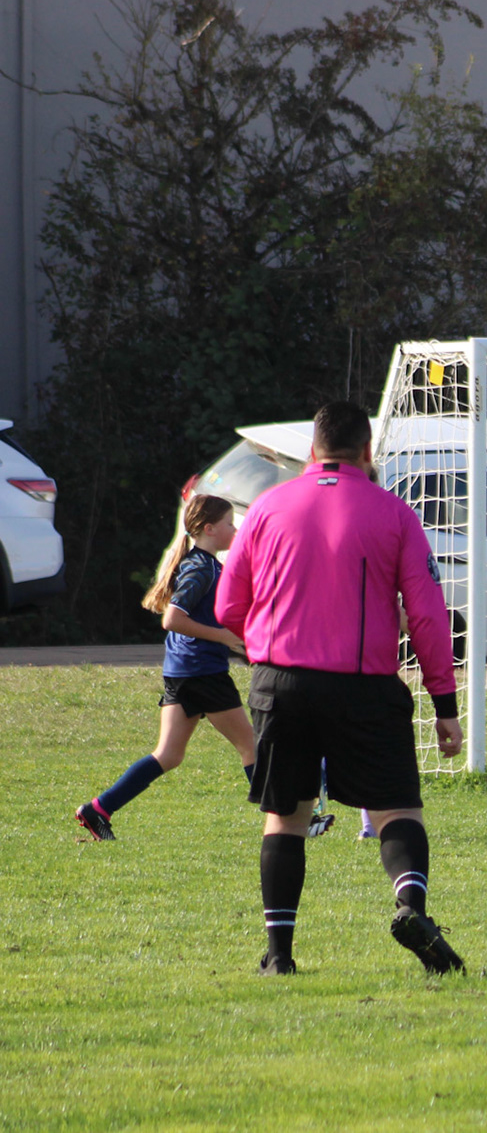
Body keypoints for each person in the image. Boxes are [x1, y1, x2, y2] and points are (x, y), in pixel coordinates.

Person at [215, 401, 465, 976]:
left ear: (312, 449)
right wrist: (444, 704)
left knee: (286, 817)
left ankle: (279, 956)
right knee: (397, 809)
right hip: (365, 687)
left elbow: (228, 606)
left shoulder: (266, 507)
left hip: (281, 682)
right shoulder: (394, 512)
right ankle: (411, 909)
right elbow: (428, 616)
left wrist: (273, 642)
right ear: (368, 451)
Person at [73, 495, 256, 841]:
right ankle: (289, 819)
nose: (235, 530)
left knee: (168, 755)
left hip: (184, 671)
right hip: (202, 672)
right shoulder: (201, 568)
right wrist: (222, 637)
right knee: (251, 746)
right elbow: (172, 619)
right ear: (209, 529)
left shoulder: (206, 564)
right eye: (230, 524)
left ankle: (98, 809)